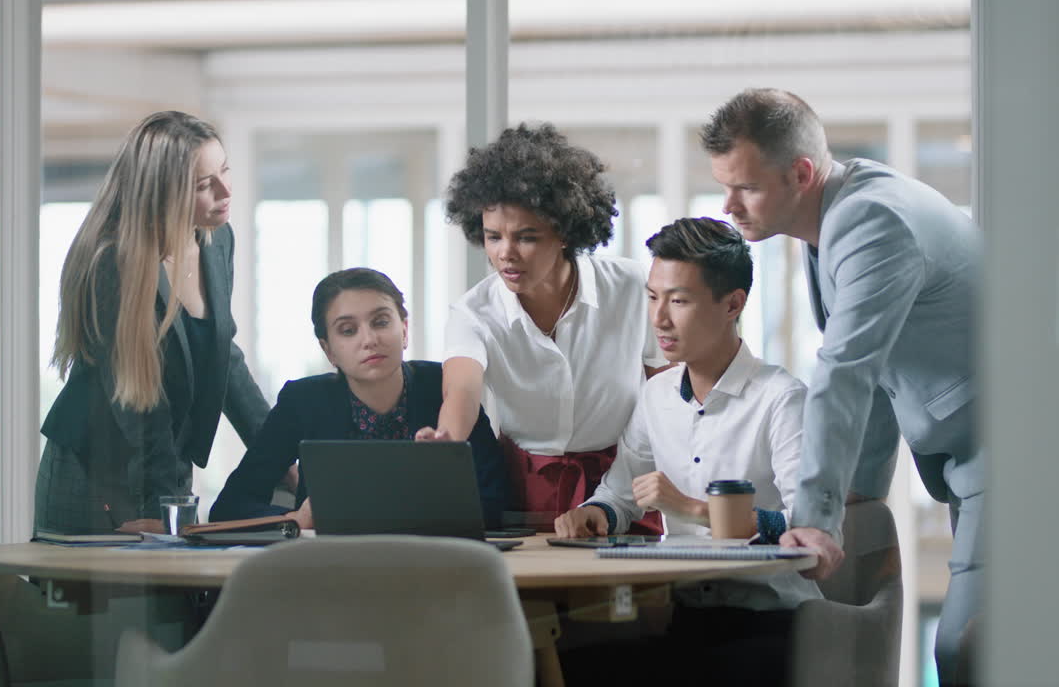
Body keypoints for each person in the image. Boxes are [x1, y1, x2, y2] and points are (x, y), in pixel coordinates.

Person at [701, 88, 981, 685]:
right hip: (972, 457)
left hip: (1018, 455)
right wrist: (857, 490)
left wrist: (817, 517)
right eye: (724, 186)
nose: (729, 206)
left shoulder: (871, 220)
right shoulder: (833, 219)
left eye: (746, 187)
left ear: (801, 174)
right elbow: (875, 373)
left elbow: (846, 370)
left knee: (968, 650)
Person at [556, 217, 820, 685]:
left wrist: (695, 510)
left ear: (732, 304)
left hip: (773, 623)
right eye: (653, 297)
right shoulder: (656, 396)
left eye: (678, 301)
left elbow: (806, 523)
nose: (659, 319)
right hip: (684, 617)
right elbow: (621, 493)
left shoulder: (781, 398)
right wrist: (595, 512)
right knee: (568, 666)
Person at [420, 123, 667, 531]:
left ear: (565, 232)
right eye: (493, 237)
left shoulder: (630, 285)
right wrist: (448, 439)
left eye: (526, 237)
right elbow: (461, 389)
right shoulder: (472, 313)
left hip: (627, 479)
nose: (505, 253)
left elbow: (665, 386)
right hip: (525, 487)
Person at [36, 111, 271, 535]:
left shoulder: (217, 239)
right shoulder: (113, 261)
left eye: (225, 170)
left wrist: (277, 454)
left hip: (162, 464)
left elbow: (223, 356)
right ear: (163, 194)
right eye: (203, 185)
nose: (225, 190)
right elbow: (140, 401)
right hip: (95, 476)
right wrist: (161, 504)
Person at [211, 268, 509, 529]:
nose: (369, 340)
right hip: (330, 563)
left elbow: (496, 502)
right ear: (329, 350)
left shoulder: (445, 386)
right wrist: (294, 518)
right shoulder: (302, 402)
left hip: (434, 559)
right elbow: (229, 507)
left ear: (404, 330)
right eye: (348, 330)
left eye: (381, 322)